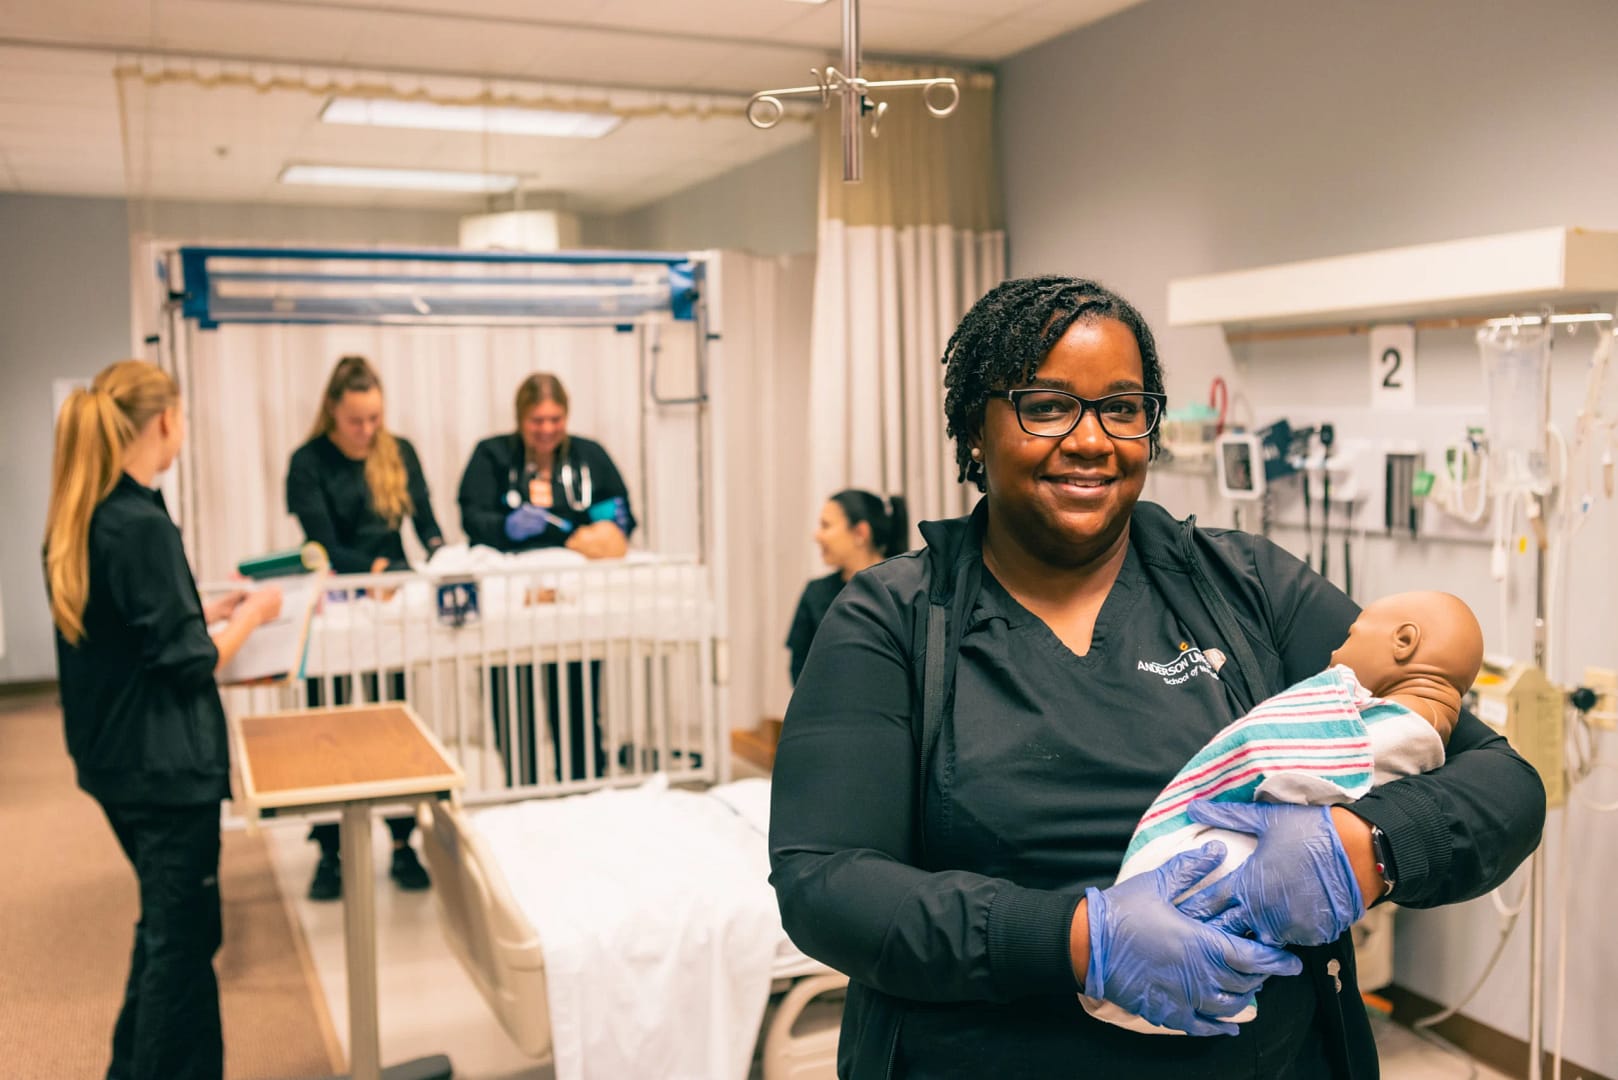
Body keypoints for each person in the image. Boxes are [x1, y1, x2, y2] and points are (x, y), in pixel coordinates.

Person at [768, 276, 1546, 1079]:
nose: (1091, 439)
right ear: (974, 426)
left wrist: (1367, 848)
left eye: (1123, 407)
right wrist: (1080, 939)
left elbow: (1502, 785)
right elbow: (825, 880)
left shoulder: (1246, 589)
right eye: (1046, 405)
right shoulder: (894, 621)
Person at [1086, 590, 1486, 1034]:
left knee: (1199, 899)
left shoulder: (1402, 731)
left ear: (1404, 641)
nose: (1335, 652)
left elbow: (1289, 769)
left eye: (1350, 636)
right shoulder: (1402, 723)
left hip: (1241, 846)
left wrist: (1354, 840)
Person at [46, 360, 283, 1080]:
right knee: (178, 947)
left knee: (170, 933)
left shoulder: (90, 514)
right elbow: (188, 663)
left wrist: (197, 611)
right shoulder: (141, 523)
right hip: (164, 772)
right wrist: (257, 616)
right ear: (165, 423)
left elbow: (131, 632)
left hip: (115, 762)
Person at [286, 355, 443, 901]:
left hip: (390, 606)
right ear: (333, 410)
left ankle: (403, 843)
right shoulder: (307, 463)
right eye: (356, 420)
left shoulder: (398, 453)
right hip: (335, 604)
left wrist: (444, 561)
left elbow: (427, 525)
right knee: (327, 728)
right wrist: (369, 572)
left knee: (391, 724)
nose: (367, 430)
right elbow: (322, 542)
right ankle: (329, 850)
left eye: (375, 418)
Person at [457, 373, 637, 783]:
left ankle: (582, 784)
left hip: (572, 600)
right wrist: (507, 527)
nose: (547, 429)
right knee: (510, 698)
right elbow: (471, 518)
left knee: (577, 697)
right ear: (520, 418)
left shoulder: (590, 456)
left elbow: (620, 517)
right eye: (537, 420)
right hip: (511, 600)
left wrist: (607, 527)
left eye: (555, 419)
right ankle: (521, 787)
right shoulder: (492, 455)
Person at [787, 490, 908, 685]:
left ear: (860, 532)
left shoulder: (907, 590)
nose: (817, 536)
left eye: (826, 526)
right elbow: (799, 671)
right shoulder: (815, 593)